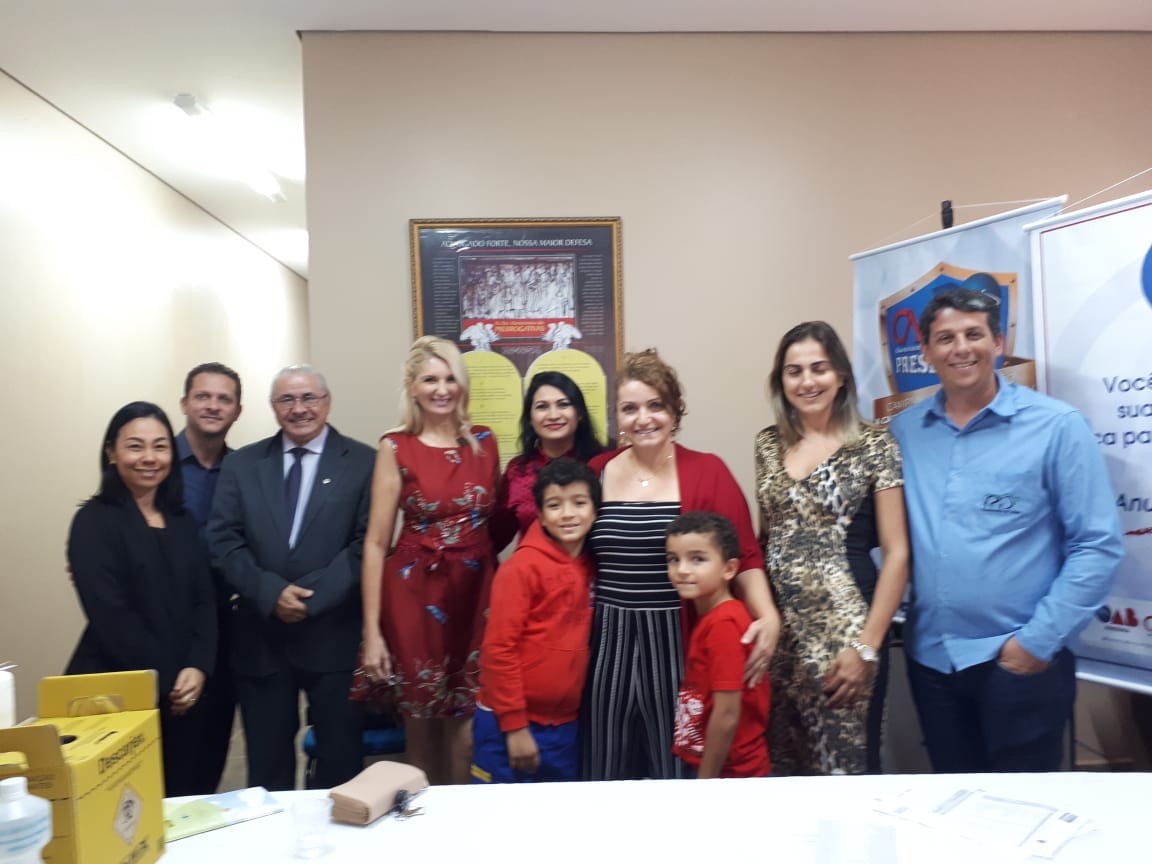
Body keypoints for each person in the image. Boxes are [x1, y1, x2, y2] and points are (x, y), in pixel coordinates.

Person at [890, 287, 1123, 772]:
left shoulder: (1057, 427)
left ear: (998, 343)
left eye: (974, 334)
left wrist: (1036, 643)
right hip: (932, 660)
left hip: (1019, 661)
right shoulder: (904, 433)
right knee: (952, 798)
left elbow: (1097, 546)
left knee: (1023, 808)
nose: (961, 348)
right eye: (945, 338)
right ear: (926, 351)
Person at [583, 348, 780, 781]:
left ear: (674, 411)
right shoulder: (597, 471)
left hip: (676, 635)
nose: (643, 418)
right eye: (630, 408)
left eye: (655, 405)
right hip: (608, 638)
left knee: (675, 762)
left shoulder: (708, 472)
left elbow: (745, 555)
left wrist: (768, 616)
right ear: (618, 417)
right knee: (604, 761)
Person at [208, 365, 374, 790]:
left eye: (309, 398)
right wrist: (270, 593)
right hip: (262, 640)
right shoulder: (242, 464)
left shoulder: (364, 462)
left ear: (327, 402)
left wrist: (310, 598)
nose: (299, 409)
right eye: (287, 400)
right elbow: (223, 540)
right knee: (268, 771)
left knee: (340, 769)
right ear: (273, 407)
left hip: (334, 638)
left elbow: (366, 544)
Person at [755, 321, 908, 776]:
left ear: (840, 375)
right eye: (794, 371)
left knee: (846, 771)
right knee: (784, 767)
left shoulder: (875, 444)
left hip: (846, 635)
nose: (807, 381)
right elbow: (767, 540)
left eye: (819, 368)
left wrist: (867, 649)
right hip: (781, 639)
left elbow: (898, 553)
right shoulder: (767, 444)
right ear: (781, 382)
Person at [355, 336, 500, 785]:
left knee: (467, 720)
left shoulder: (484, 442)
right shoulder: (395, 446)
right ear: (413, 387)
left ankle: (461, 813)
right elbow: (376, 543)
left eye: (450, 378)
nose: (442, 389)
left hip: (475, 594)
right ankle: (423, 816)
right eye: (430, 380)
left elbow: (493, 521)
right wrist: (372, 632)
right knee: (419, 723)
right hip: (415, 593)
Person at [65, 402, 217, 796]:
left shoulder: (181, 519)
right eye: (135, 446)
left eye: (160, 446)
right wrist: (168, 679)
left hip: (187, 689)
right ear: (111, 453)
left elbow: (204, 599)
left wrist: (198, 666)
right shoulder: (93, 521)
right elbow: (111, 617)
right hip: (121, 692)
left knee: (185, 798)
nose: (149, 458)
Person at [472, 457, 599, 784]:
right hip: (507, 724)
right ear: (540, 515)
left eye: (579, 503)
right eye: (555, 505)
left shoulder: (592, 566)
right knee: (500, 810)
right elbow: (498, 651)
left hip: (565, 727)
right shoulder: (521, 569)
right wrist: (515, 726)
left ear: (595, 511)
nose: (568, 514)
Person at [176, 361, 242, 793]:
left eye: (224, 399)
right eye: (203, 396)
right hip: (166, 624)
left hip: (225, 624)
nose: (213, 406)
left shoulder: (244, 470)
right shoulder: (156, 460)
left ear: (237, 410)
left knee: (212, 742)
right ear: (185, 403)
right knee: (166, 749)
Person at [667, 511, 771, 779]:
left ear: (729, 569)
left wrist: (706, 782)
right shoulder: (711, 618)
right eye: (673, 559)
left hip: (734, 775)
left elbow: (727, 713)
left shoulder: (724, 623)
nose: (682, 570)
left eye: (697, 559)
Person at [490, 370, 604, 551]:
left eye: (563, 404)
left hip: (590, 567)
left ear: (579, 413)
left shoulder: (602, 464)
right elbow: (495, 537)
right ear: (530, 418)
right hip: (532, 566)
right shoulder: (517, 471)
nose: (553, 415)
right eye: (542, 407)